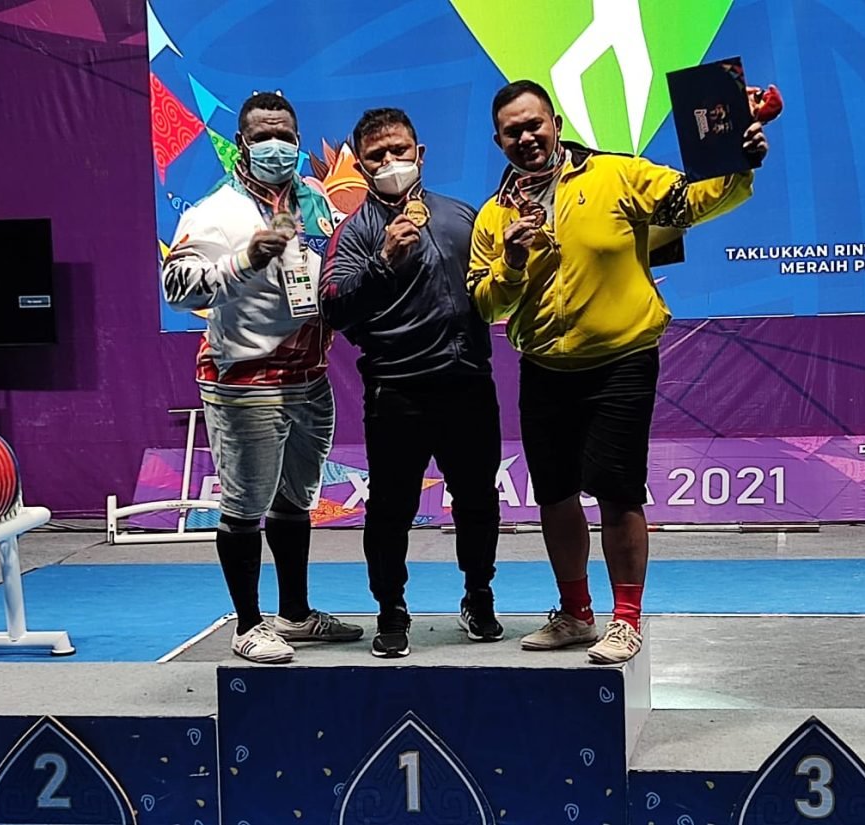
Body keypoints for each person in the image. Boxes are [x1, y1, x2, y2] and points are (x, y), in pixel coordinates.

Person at [467, 80, 768, 664]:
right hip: (544, 367)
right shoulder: (493, 216)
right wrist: (512, 262)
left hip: (621, 364)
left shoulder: (616, 175)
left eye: (534, 124)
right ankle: (576, 614)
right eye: (512, 131)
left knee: (617, 493)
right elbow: (485, 305)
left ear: (555, 124)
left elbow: (690, 201)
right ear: (498, 141)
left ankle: (625, 619)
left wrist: (738, 163)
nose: (526, 137)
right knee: (554, 497)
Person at [162, 92, 363, 663]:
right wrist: (245, 259)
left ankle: (294, 614)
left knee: (295, 501)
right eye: (263, 136)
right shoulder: (215, 212)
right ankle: (249, 624)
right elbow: (176, 289)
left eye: (286, 136)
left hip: (310, 377)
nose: (277, 146)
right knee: (246, 504)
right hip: (246, 380)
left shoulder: (315, 201)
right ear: (242, 145)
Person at [320, 108, 503, 659]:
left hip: (468, 384)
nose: (390, 162)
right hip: (397, 391)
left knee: (478, 501)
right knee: (390, 510)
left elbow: (494, 286)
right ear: (361, 166)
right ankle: (391, 609)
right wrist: (383, 261)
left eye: (398, 150)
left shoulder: (462, 216)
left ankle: (479, 596)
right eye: (376, 155)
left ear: (419, 154)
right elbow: (333, 307)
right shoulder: (355, 232)